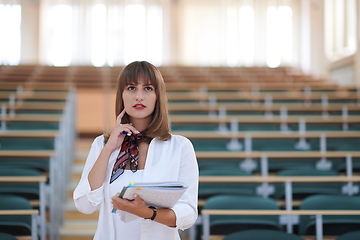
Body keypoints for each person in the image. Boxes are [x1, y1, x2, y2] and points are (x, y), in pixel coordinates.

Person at [73, 61, 199, 240]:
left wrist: (147, 213)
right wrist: (109, 149)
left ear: (158, 96)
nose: (139, 96)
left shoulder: (180, 146)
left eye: (147, 89)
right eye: (131, 88)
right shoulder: (102, 144)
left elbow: (188, 213)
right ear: (122, 95)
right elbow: (85, 205)